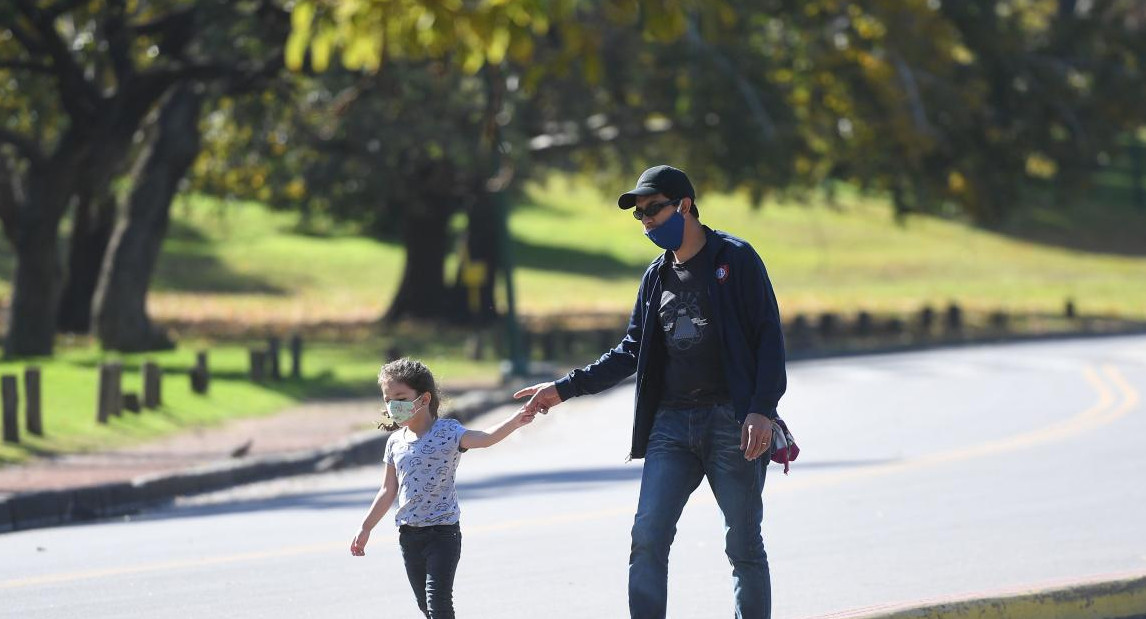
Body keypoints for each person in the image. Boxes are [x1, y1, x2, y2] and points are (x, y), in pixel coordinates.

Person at [515, 165, 788, 619]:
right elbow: (631, 350)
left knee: (742, 542)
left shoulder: (736, 259)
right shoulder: (656, 277)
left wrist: (761, 408)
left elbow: (768, 338)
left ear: (684, 205)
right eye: (640, 215)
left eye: (653, 210)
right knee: (648, 536)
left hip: (731, 422)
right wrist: (563, 389)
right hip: (671, 425)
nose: (646, 222)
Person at [351, 357, 535, 619]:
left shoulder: (448, 432)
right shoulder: (394, 442)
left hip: (443, 534)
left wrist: (516, 420)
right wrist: (365, 527)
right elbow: (387, 490)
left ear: (424, 399)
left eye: (401, 398)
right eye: (387, 399)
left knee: (438, 604)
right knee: (425, 607)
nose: (393, 406)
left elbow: (485, 438)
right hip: (409, 536)